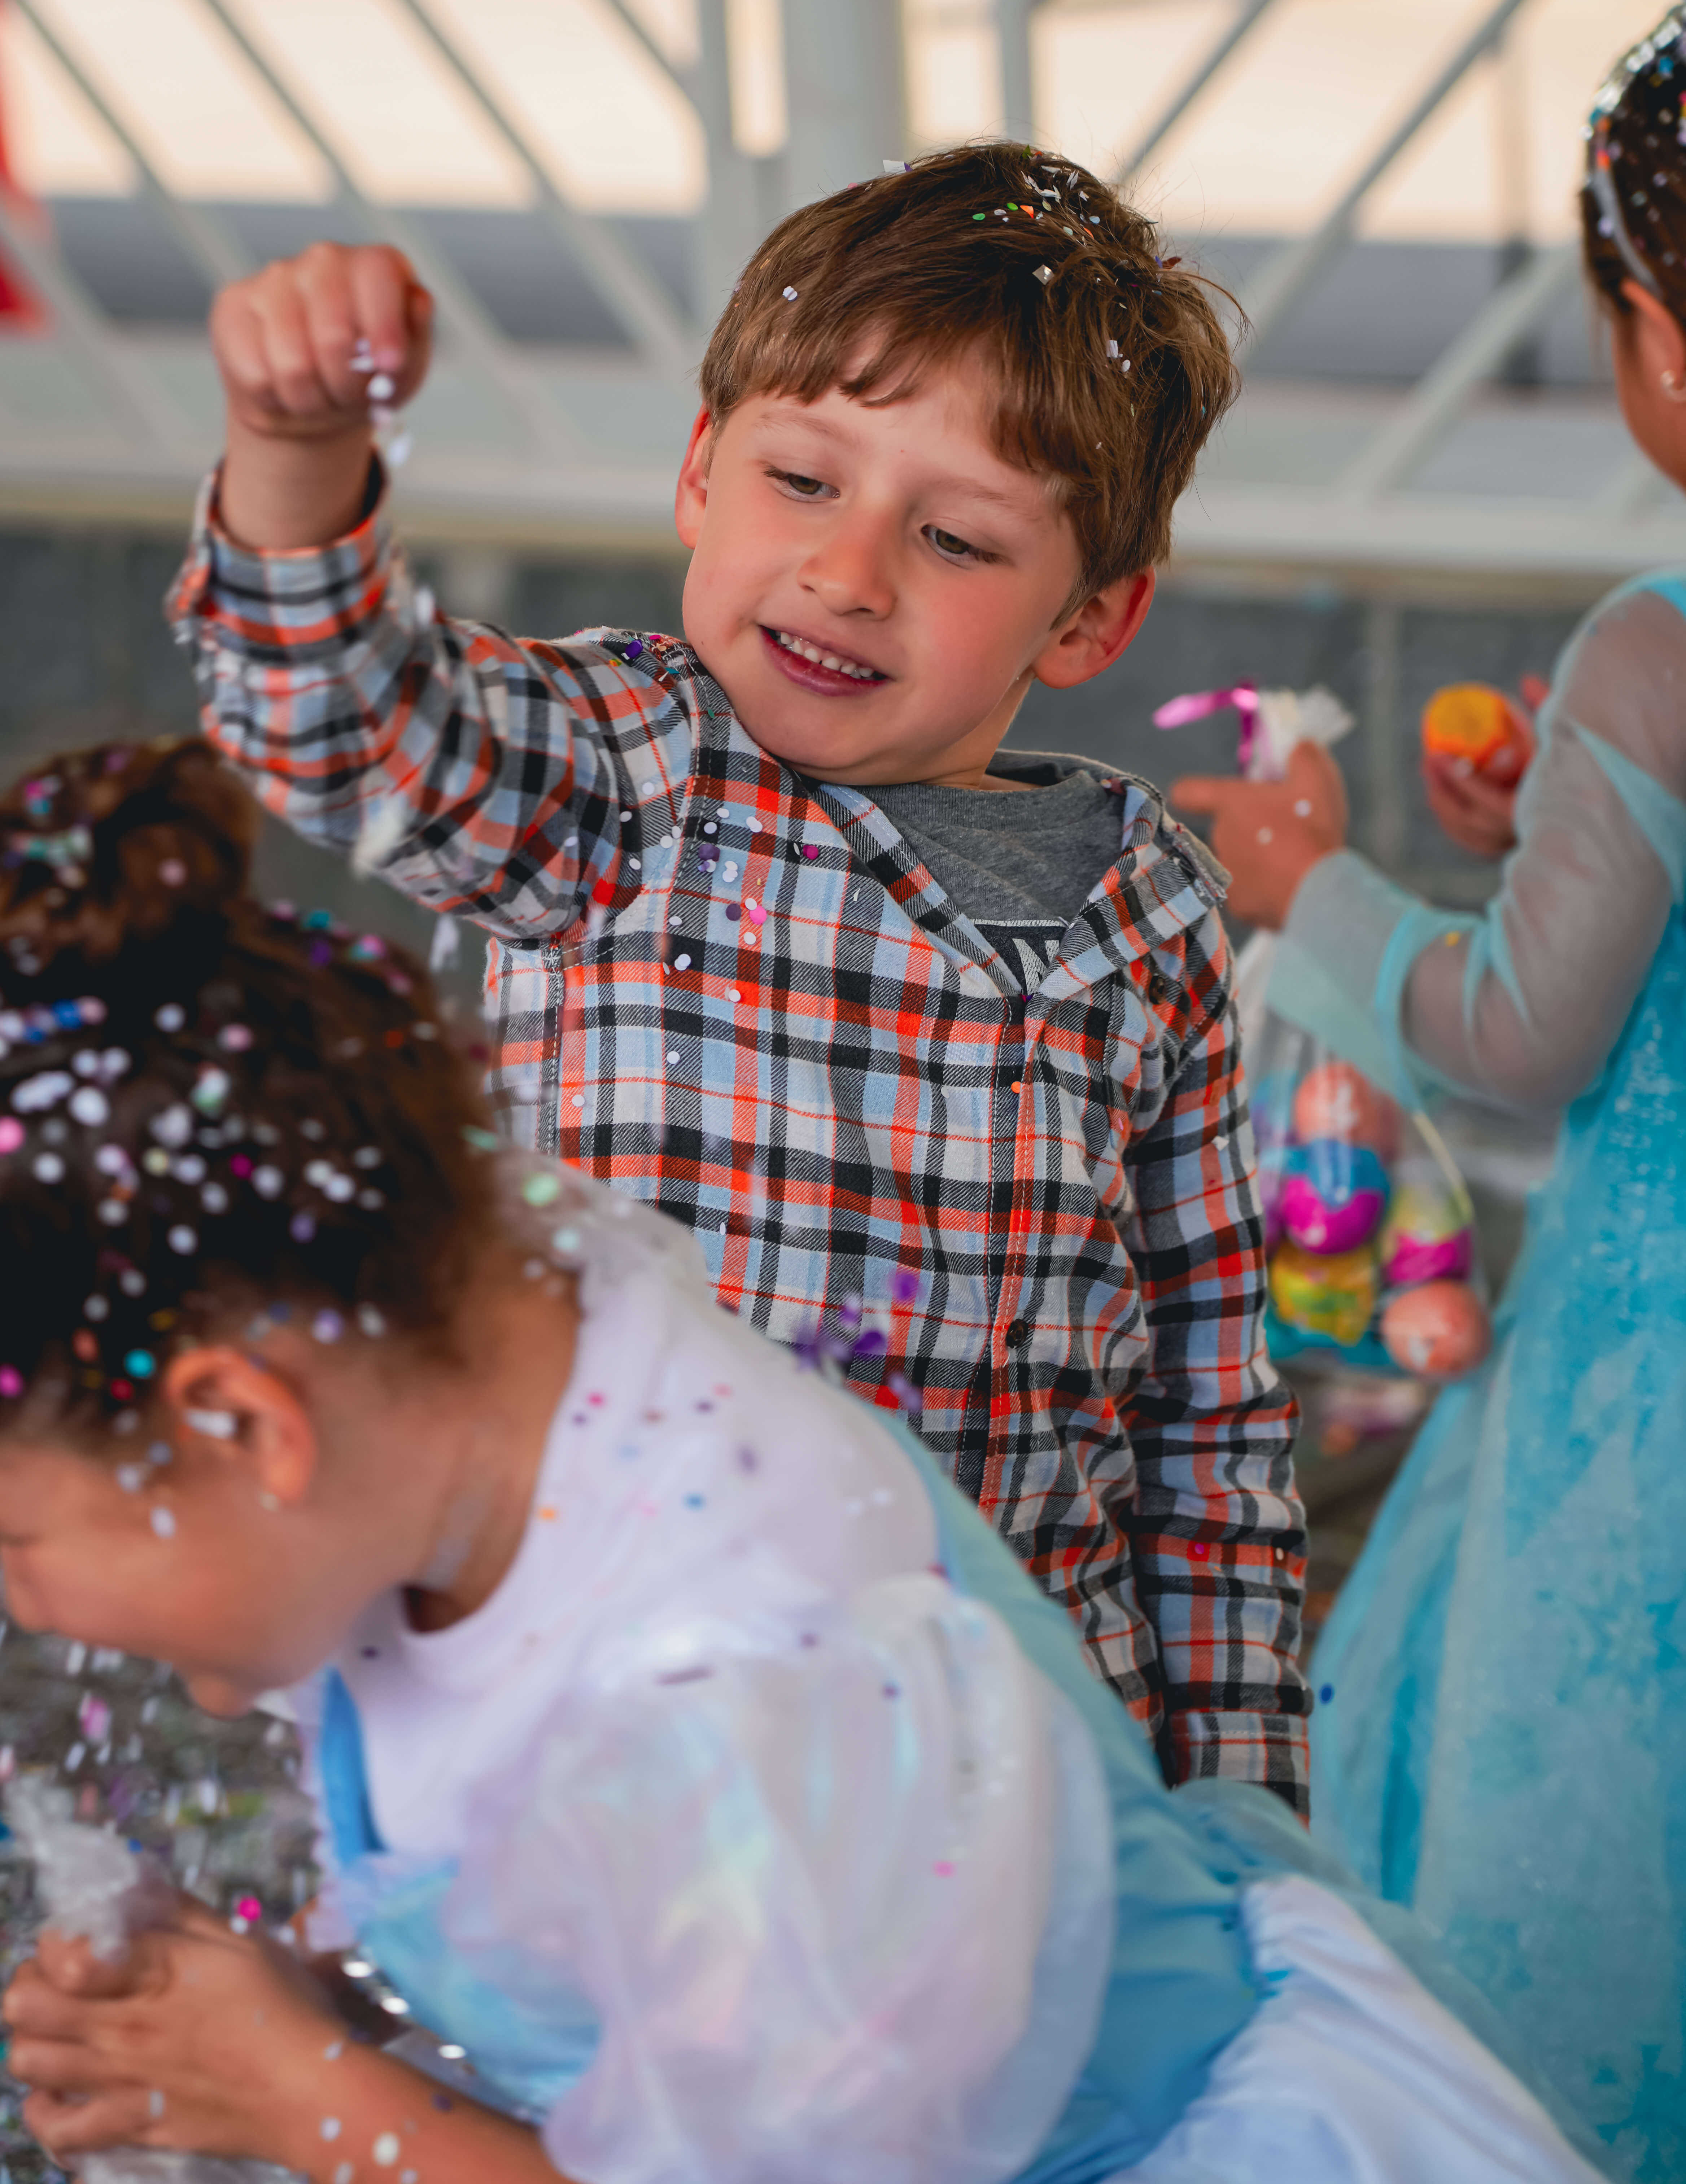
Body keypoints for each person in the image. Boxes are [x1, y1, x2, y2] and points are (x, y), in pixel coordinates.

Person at [0, 736, 1602, 2184]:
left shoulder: (737, 1691)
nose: (24, 1608)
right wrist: (320, 2007)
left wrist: (306, 2097)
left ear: (245, 1426)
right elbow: (623, 1957)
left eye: (16, 1545)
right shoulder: (452, 1368)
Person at [165, 144, 1310, 1813]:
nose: (849, 574)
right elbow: (335, 719)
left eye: (956, 538)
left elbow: (1208, 1428)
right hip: (608, 1744)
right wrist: (294, 450)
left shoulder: (1154, 919)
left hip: (1004, 1775)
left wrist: (1244, 1819)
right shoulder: (623, 782)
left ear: (1090, 619)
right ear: (701, 471)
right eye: (802, 481)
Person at [1170, 0, 1686, 2183]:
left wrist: (1321, 891)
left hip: (1650, 1419)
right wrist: (1568, 821)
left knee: (1595, 1877)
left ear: (1654, 334)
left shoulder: (1661, 645)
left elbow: (1519, 1033)